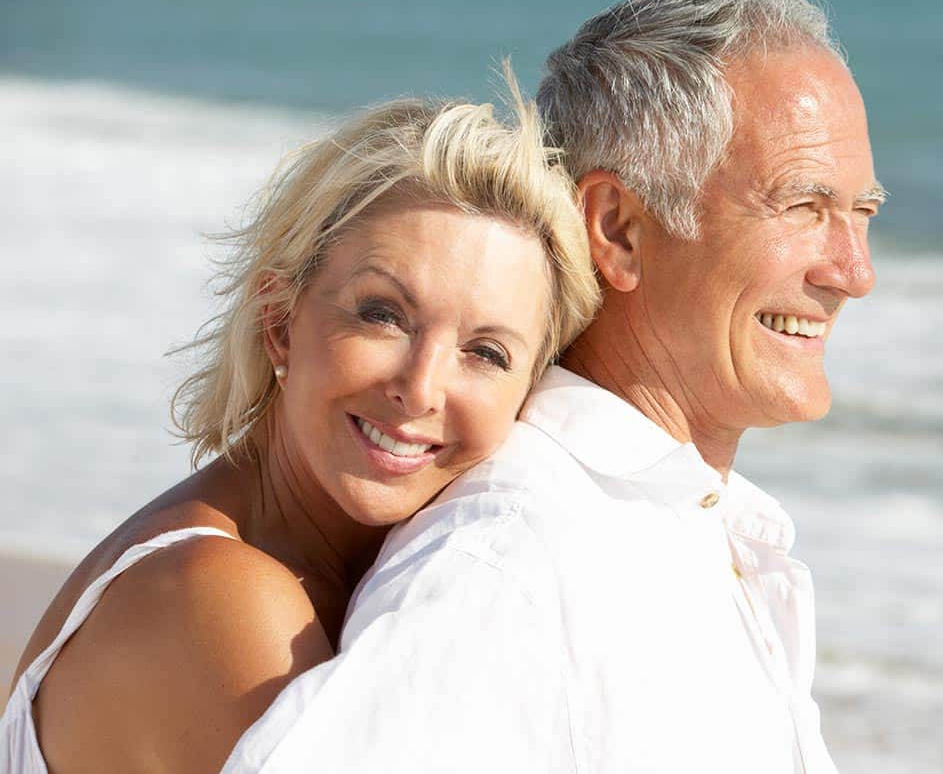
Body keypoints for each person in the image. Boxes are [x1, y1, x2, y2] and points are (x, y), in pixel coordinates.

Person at [221, 0, 885, 774]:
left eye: (863, 213)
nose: (854, 271)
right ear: (619, 229)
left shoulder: (685, 526)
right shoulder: (511, 565)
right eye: (804, 206)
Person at [1, 77, 601, 773]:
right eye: (382, 314)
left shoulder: (357, 577)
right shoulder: (224, 599)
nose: (421, 387)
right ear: (279, 322)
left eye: (486, 352)